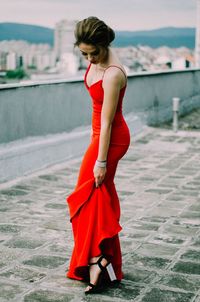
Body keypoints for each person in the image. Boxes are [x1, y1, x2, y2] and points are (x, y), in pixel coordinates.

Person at [66, 16, 130, 294]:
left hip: (111, 139)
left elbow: (107, 122)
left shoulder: (113, 73)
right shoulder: (97, 63)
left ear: (105, 44)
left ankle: (97, 260)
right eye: (84, 54)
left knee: (86, 194)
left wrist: (100, 161)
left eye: (94, 52)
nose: (89, 59)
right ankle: (102, 260)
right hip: (99, 137)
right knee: (95, 197)